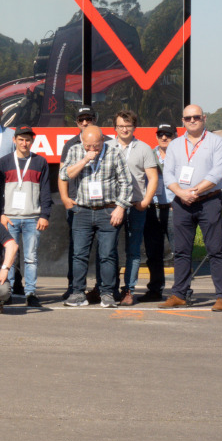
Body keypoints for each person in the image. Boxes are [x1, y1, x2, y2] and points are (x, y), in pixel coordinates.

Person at [161, 105, 222, 310]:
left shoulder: (216, 142)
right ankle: (179, 294)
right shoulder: (175, 145)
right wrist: (181, 193)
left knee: (215, 250)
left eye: (196, 117)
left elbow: (218, 173)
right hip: (182, 203)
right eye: (188, 118)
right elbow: (168, 174)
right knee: (181, 251)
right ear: (182, 120)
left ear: (204, 118)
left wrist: (194, 192)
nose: (192, 120)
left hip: (209, 201)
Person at [57, 125, 130, 309]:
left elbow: (126, 183)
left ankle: (107, 293)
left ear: (102, 140)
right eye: (88, 145)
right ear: (82, 141)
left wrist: (120, 207)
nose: (92, 149)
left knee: (107, 255)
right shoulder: (75, 150)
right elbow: (65, 175)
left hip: (108, 211)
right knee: (79, 255)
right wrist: (84, 159)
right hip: (82, 210)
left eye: (96, 146)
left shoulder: (114, 153)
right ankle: (78, 293)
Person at [0, 126, 52, 308]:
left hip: (32, 218)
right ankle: (7, 292)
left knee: (31, 258)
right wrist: (1, 214)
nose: (24, 143)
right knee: (9, 257)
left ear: (32, 141)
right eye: (21, 139)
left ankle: (31, 292)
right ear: (14, 140)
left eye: (27, 140)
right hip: (10, 218)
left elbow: (46, 191)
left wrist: (44, 215)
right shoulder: (5, 161)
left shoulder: (40, 161)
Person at [112, 110, 160, 305]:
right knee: (109, 250)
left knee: (133, 251)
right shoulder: (107, 146)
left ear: (134, 127)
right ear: (115, 128)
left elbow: (153, 178)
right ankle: (108, 289)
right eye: (121, 126)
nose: (124, 129)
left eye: (128, 126)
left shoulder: (144, 148)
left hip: (135, 206)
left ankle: (128, 290)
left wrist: (146, 201)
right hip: (112, 206)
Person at [57, 106, 106, 302]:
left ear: (95, 119)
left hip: (103, 206)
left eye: (89, 119)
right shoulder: (71, 145)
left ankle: (102, 288)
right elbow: (62, 174)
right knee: (77, 250)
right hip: (78, 204)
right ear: (76, 122)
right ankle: (74, 288)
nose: (85, 123)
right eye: (81, 120)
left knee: (105, 250)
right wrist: (65, 198)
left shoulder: (106, 141)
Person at [140, 124, 176, 301]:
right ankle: (155, 290)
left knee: (180, 252)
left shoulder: (180, 155)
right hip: (152, 209)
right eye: (160, 134)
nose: (164, 138)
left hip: (173, 209)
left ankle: (182, 291)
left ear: (175, 136)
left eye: (167, 135)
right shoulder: (149, 154)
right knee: (153, 254)